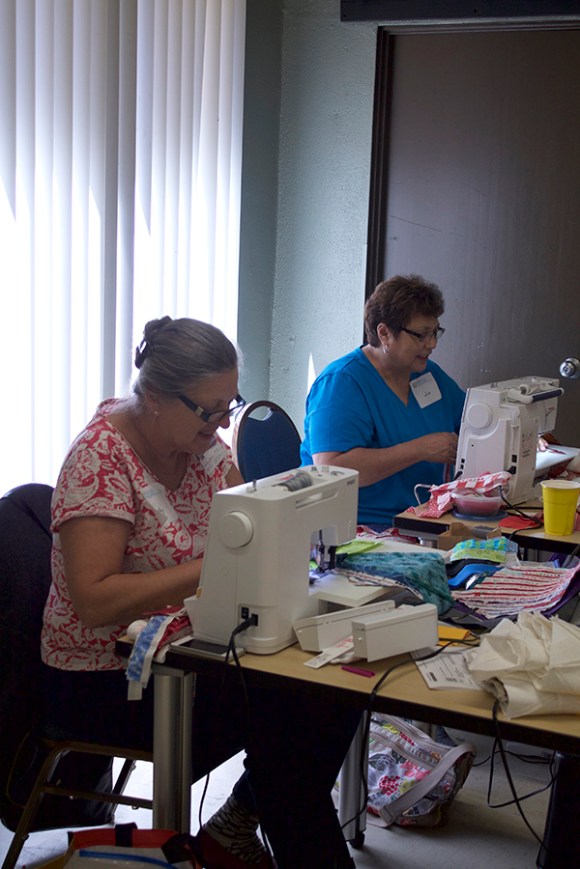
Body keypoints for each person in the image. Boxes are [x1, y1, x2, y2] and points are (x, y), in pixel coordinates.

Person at [40, 316, 363, 869]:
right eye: (210, 410)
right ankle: (244, 832)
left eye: (229, 405)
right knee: (288, 727)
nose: (222, 425)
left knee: (335, 689)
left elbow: (254, 524)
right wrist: (211, 566)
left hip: (188, 648)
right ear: (155, 398)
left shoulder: (203, 447)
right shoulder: (100, 460)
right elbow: (94, 600)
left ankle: (237, 822)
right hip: (106, 679)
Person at [301, 274, 466, 530]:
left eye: (435, 333)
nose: (432, 344)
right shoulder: (342, 383)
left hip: (422, 519)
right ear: (384, 333)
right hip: (358, 526)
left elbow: (470, 422)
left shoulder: (428, 374)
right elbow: (331, 469)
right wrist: (420, 449)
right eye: (421, 335)